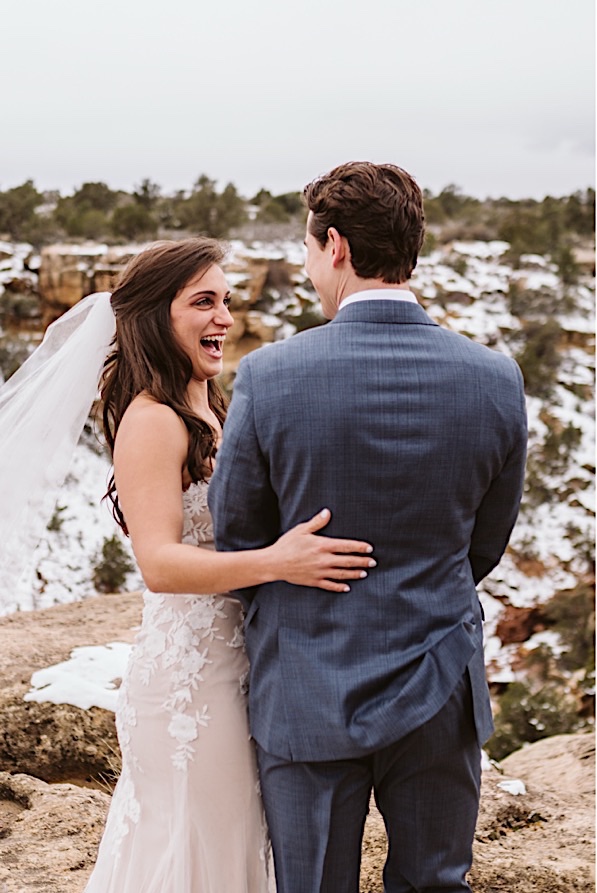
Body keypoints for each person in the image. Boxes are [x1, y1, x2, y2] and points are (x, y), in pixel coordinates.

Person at [0, 237, 376, 892]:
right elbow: (160, 563)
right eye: (203, 302)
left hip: (238, 672)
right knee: (202, 857)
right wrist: (278, 561)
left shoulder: (209, 404)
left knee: (228, 852)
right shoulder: (153, 420)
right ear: (156, 317)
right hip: (190, 685)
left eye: (227, 301)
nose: (224, 318)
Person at [209, 161, 527, 893]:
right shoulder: (494, 376)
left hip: (306, 680)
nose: (309, 266)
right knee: (435, 883)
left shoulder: (271, 374)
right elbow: (486, 541)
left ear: (338, 247)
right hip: (438, 674)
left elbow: (238, 536)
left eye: (309, 249)